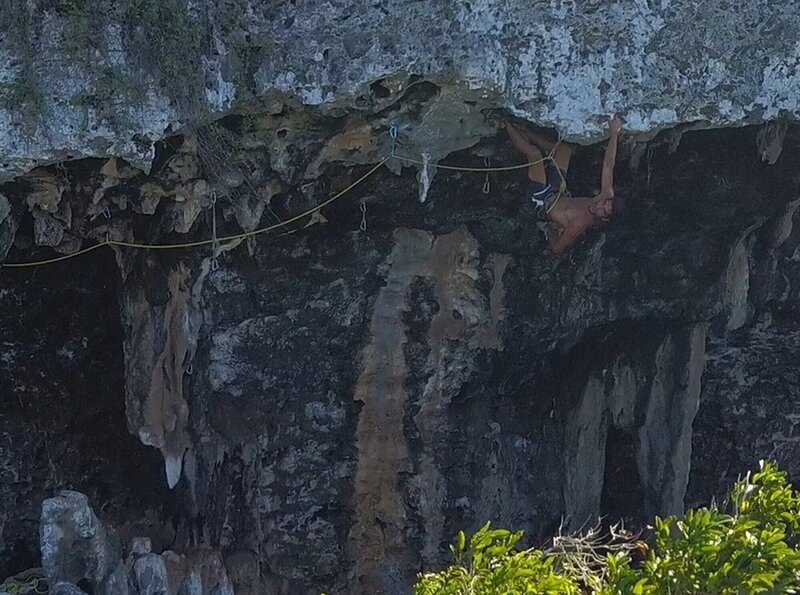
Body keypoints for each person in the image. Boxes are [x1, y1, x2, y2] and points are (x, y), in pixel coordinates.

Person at [505, 115, 622, 254]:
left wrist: (549, 231)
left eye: (604, 210)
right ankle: (525, 130)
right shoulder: (605, 195)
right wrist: (614, 134)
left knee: (535, 155)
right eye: (604, 203)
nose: (599, 206)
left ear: (605, 219)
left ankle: (505, 122)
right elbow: (608, 166)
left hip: (541, 204)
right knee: (565, 150)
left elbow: (558, 248)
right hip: (557, 193)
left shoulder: (579, 224)